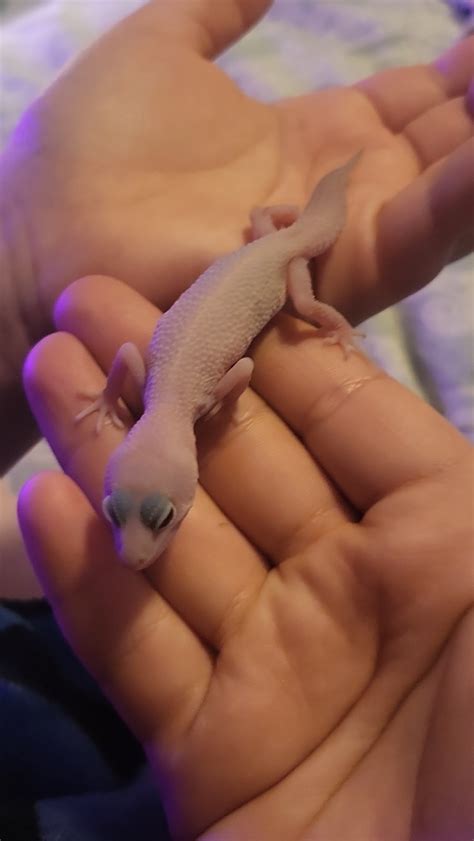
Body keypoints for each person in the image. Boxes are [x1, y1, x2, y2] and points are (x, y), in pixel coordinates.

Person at [0, 0, 472, 838]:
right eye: (136, 513)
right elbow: (180, 363)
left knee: (304, 299)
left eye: (149, 516)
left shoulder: (173, 395)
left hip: (279, 260)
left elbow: (197, 363)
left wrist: (316, 321)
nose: (134, 540)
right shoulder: (173, 394)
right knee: (278, 242)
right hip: (262, 244)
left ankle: (322, 301)